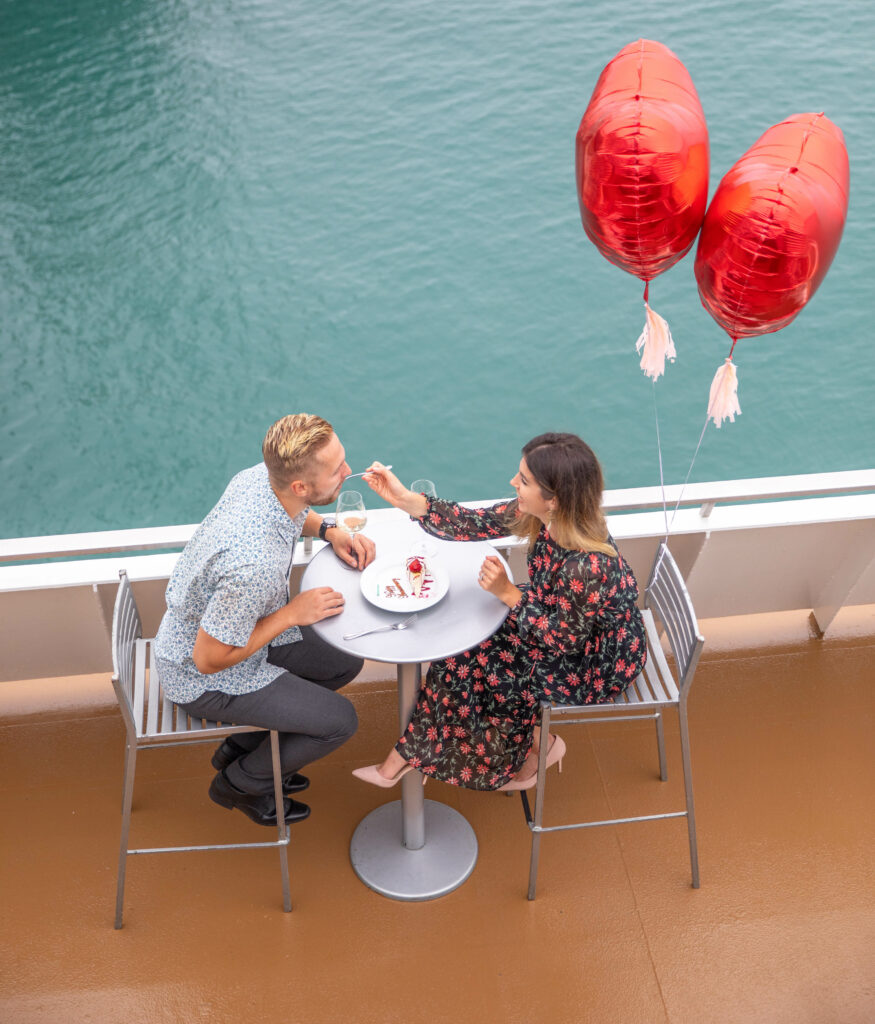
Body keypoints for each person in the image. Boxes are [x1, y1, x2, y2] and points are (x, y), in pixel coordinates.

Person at [352, 432, 647, 792]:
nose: (513, 484)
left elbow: (564, 641)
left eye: (523, 480)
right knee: (467, 633)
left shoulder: (586, 566)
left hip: (593, 662)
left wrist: (508, 594)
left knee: (490, 659)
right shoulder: (546, 516)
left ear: (554, 499)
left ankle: (510, 763)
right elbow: (472, 522)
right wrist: (403, 499)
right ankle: (417, 753)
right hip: (555, 617)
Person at [154, 413, 375, 826]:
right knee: (340, 722)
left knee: (345, 659)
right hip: (203, 677)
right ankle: (241, 783)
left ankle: (241, 746)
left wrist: (330, 531)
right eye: (337, 470)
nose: (349, 471)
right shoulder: (252, 566)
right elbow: (209, 658)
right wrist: (292, 614)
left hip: (226, 629)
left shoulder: (259, 479)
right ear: (300, 486)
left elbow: (291, 514)